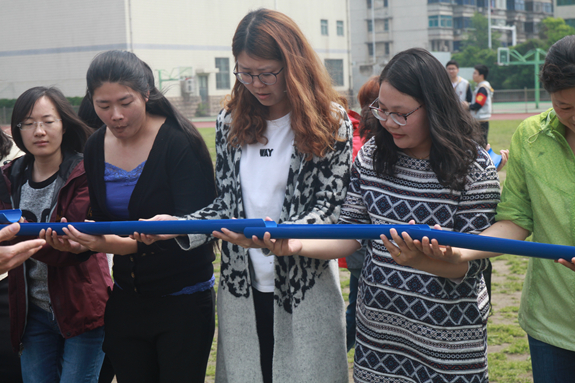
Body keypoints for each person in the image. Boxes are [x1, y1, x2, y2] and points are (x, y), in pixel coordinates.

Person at [257, 48, 500, 382]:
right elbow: (351, 234)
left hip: (449, 337)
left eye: (400, 114)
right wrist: (296, 245)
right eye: (382, 110)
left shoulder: (473, 165)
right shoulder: (372, 155)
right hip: (380, 333)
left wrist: (423, 259)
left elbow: (470, 261)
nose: (388, 122)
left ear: (435, 106)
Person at [136, 9, 352, 383]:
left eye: (267, 72)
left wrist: (277, 236)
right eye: (245, 72)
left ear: (294, 65)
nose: (256, 83)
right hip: (242, 290)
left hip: (306, 289)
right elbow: (227, 206)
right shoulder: (230, 121)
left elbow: (330, 210)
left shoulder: (331, 121)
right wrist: (179, 226)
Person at [46, 50, 217, 383]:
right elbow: (110, 229)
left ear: (146, 93)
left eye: (126, 103)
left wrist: (167, 230)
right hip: (127, 300)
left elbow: (205, 225)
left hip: (183, 301)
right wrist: (83, 243)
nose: (116, 116)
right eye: (104, 105)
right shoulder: (95, 147)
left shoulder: (180, 142)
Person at [416, 35, 575, 383]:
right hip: (552, 321)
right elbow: (516, 220)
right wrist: (459, 249)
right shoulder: (531, 137)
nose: (574, 117)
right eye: (565, 107)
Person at [1, 86, 112, 383]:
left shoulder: (85, 171)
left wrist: (20, 233)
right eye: (29, 123)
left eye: (48, 121)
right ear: (18, 130)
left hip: (83, 311)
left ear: (64, 124)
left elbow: (69, 245)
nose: (39, 131)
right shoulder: (9, 177)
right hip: (31, 313)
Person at [341, 75, 379, 352]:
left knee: (358, 304)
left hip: (362, 248)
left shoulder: (363, 139)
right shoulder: (361, 146)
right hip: (363, 247)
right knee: (359, 308)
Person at [468, 64, 493, 145]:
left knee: (481, 142)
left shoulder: (482, 88)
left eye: (475, 73)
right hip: (480, 118)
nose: (473, 75)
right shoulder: (481, 86)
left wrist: (467, 106)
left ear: (481, 75)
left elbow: (478, 104)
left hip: (481, 119)